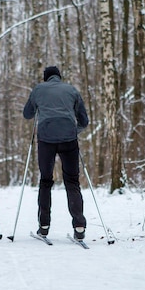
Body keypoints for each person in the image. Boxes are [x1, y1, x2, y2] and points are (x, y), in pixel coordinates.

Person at [23, 65, 89, 240]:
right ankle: (79, 226)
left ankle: (43, 226)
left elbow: (27, 114)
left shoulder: (38, 90)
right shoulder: (71, 90)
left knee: (45, 181)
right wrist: (75, 131)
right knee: (72, 181)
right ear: (59, 77)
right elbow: (84, 120)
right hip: (69, 139)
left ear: (46, 78)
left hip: (46, 139)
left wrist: (39, 107)